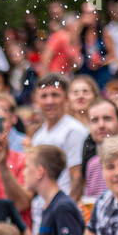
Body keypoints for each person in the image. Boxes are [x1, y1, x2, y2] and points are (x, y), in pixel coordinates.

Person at [29, 74, 88, 218]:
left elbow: (78, 178)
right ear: (37, 101)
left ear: (66, 99)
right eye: (44, 96)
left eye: (55, 95)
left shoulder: (74, 130)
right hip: (42, 210)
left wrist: (65, 212)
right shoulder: (39, 135)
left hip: (62, 210)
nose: (49, 101)